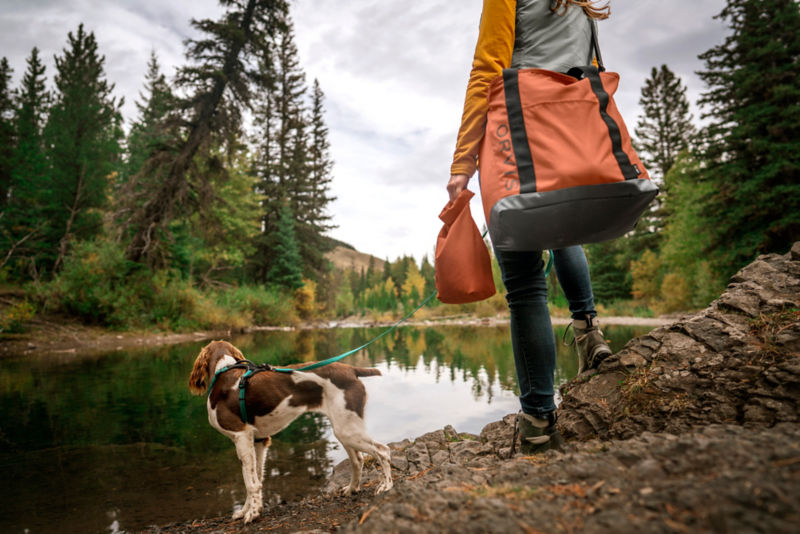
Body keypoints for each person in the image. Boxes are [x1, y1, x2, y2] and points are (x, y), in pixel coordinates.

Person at [447, 0, 613, 454]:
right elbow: (590, 70)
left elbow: (487, 70)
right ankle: (588, 331)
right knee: (563, 234)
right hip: (573, 137)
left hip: (516, 138)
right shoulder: (580, 4)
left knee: (524, 288)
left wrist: (463, 162)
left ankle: (539, 421)